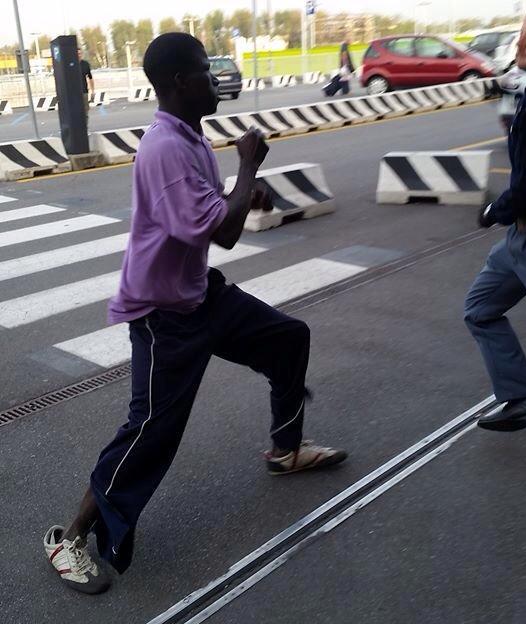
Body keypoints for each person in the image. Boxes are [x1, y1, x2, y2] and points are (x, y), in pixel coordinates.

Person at [44, 33, 347, 594]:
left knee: (287, 338)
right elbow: (226, 232)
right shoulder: (164, 148)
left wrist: (243, 190)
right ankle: (71, 538)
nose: (216, 81)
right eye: (207, 73)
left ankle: (285, 449)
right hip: (165, 316)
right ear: (181, 82)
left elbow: (215, 213)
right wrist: (250, 166)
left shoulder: (190, 137)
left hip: (200, 294)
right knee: (150, 431)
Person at [464, 3, 526, 432]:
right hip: (519, 240)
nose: (522, 40)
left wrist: (494, 210)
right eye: (523, 31)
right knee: (480, 309)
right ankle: (522, 398)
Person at [78, 47, 94, 127]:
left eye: (80, 54)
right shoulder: (71, 65)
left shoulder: (85, 64)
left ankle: (85, 128)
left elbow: (90, 78)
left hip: (84, 92)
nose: (79, 55)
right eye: (77, 54)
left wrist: (92, 91)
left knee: (85, 112)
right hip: (74, 93)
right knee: (76, 112)